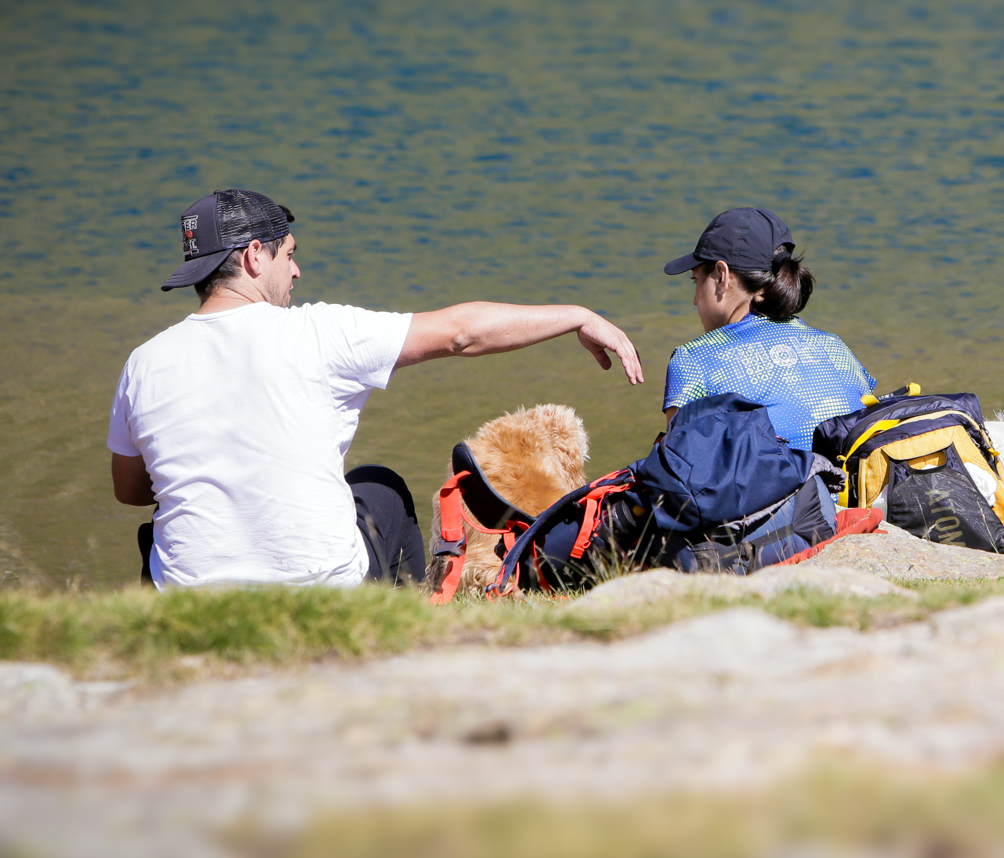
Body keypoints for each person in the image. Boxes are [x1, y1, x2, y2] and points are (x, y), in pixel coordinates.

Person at [108, 188, 642, 589]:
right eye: (288, 254)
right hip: (320, 589)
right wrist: (577, 315)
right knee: (379, 488)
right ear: (253, 257)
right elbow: (463, 332)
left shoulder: (144, 362)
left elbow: (132, 490)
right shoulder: (317, 333)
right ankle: (407, 629)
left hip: (191, 596)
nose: (296, 271)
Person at [661, 207, 875, 452]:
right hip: (853, 487)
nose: (695, 300)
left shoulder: (693, 360)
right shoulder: (834, 346)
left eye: (696, 281)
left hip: (780, 490)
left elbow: (679, 466)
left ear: (722, 276)